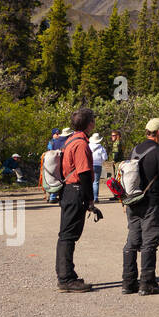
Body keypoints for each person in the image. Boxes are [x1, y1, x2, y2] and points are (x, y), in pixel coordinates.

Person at [121, 118, 159, 295]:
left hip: (133, 201)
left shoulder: (135, 150)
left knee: (132, 241)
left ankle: (128, 282)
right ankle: (147, 283)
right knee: (149, 243)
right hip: (152, 202)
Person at [55, 109, 97, 292]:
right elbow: (84, 173)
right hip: (76, 191)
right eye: (93, 121)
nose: (94, 123)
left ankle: (66, 275)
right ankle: (66, 279)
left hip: (68, 191)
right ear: (89, 124)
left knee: (66, 235)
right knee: (68, 236)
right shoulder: (80, 144)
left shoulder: (70, 140)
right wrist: (90, 199)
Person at [88, 131, 106, 202]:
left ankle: (89, 198)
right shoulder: (101, 148)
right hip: (98, 165)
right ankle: (95, 198)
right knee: (96, 182)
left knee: (89, 181)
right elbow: (104, 158)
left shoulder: (88, 146)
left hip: (89, 164)